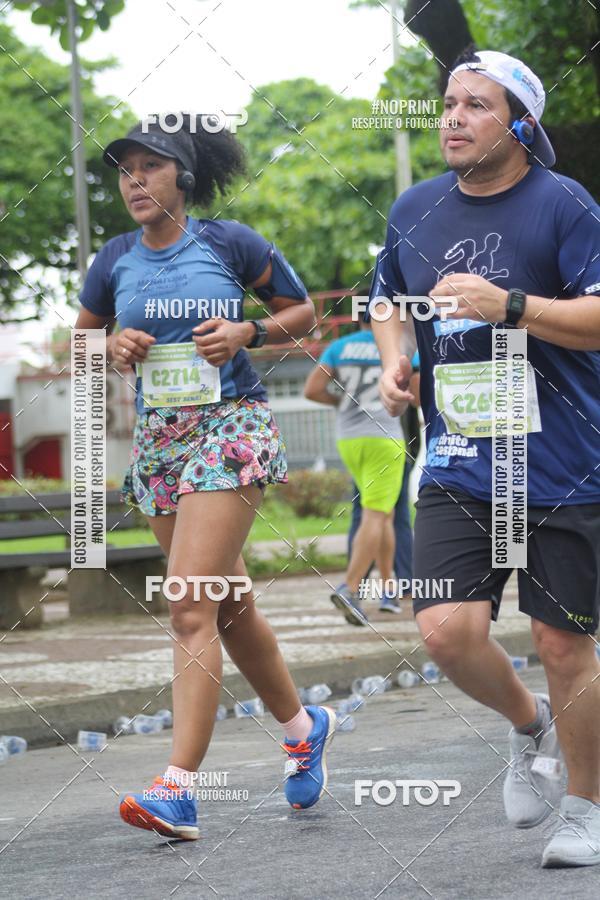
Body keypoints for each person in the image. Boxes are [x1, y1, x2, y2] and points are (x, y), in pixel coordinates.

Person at [75, 115, 336, 839]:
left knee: (189, 603)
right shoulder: (113, 259)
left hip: (232, 426)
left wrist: (248, 331)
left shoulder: (230, 242)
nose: (134, 182)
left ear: (183, 178)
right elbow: (82, 342)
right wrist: (111, 346)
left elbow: (303, 315)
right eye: (125, 171)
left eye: (149, 167)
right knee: (227, 606)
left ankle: (179, 788)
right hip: (161, 439)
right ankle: (303, 727)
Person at [369, 50, 600, 868]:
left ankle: (584, 809)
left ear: (520, 125)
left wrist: (510, 305)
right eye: (448, 103)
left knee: (563, 643)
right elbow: (386, 300)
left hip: (562, 463)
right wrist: (395, 361)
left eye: (475, 105)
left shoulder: (565, 205)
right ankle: (530, 725)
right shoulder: (415, 208)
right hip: (461, 459)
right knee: (443, 629)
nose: (453, 118)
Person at [304, 313, 405, 624]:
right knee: (375, 514)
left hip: (349, 439)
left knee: (383, 513)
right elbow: (415, 393)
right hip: (384, 439)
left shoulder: (339, 347)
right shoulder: (398, 347)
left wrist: (344, 402)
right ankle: (350, 588)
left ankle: (388, 589)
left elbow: (312, 389)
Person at [347, 351, 421, 597]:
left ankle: (360, 585)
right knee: (395, 516)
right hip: (392, 445)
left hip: (360, 443)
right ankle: (402, 583)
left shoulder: (348, 353)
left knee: (364, 515)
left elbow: (317, 390)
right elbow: (417, 398)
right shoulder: (404, 353)